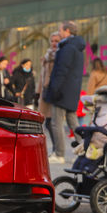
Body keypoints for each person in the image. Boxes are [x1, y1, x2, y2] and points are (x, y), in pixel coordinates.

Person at [44, 20, 86, 164]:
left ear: (67, 31)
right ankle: (85, 151)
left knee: (56, 122)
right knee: (73, 121)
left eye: (61, 30)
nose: (60, 33)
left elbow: (61, 70)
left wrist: (55, 88)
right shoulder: (78, 47)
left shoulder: (67, 47)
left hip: (62, 91)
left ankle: (59, 154)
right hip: (71, 90)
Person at [36, 32, 61, 150]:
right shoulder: (47, 56)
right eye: (52, 41)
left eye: (56, 41)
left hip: (54, 92)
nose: (54, 43)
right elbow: (42, 76)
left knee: (53, 122)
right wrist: (37, 91)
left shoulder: (59, 56)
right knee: (48, 122)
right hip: (45, 92)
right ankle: (56, 148)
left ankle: (58, 148)